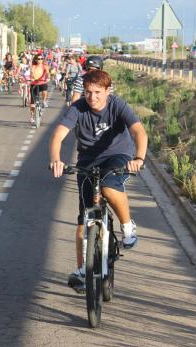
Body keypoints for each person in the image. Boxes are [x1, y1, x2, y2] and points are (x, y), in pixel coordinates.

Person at [48, 69, 147, 291]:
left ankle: (127, 226)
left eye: (97, 92)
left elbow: (139, 132)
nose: (92, 97)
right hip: (87, 161)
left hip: (117, 156)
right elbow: (58, 135)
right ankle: (83, 270)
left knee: (109, 189)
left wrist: (139, 157)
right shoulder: (78, 108)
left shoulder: (118, 105)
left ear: (108, 91)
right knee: (83, 223)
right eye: (88, 92)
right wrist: (56, 159)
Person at [28, 53, 49, 123]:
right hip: (34, 84)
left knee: (45, 90)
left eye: (41, 59)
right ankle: (31, 117)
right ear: (36, 60)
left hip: (42, 82)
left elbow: (47, 73)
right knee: (32, 103)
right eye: (39, 59)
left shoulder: (45, 66)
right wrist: (31, 78)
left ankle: (44, 101)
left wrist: (48, 78)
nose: (40, 60)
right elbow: (31, 73)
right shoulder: (33, 66)